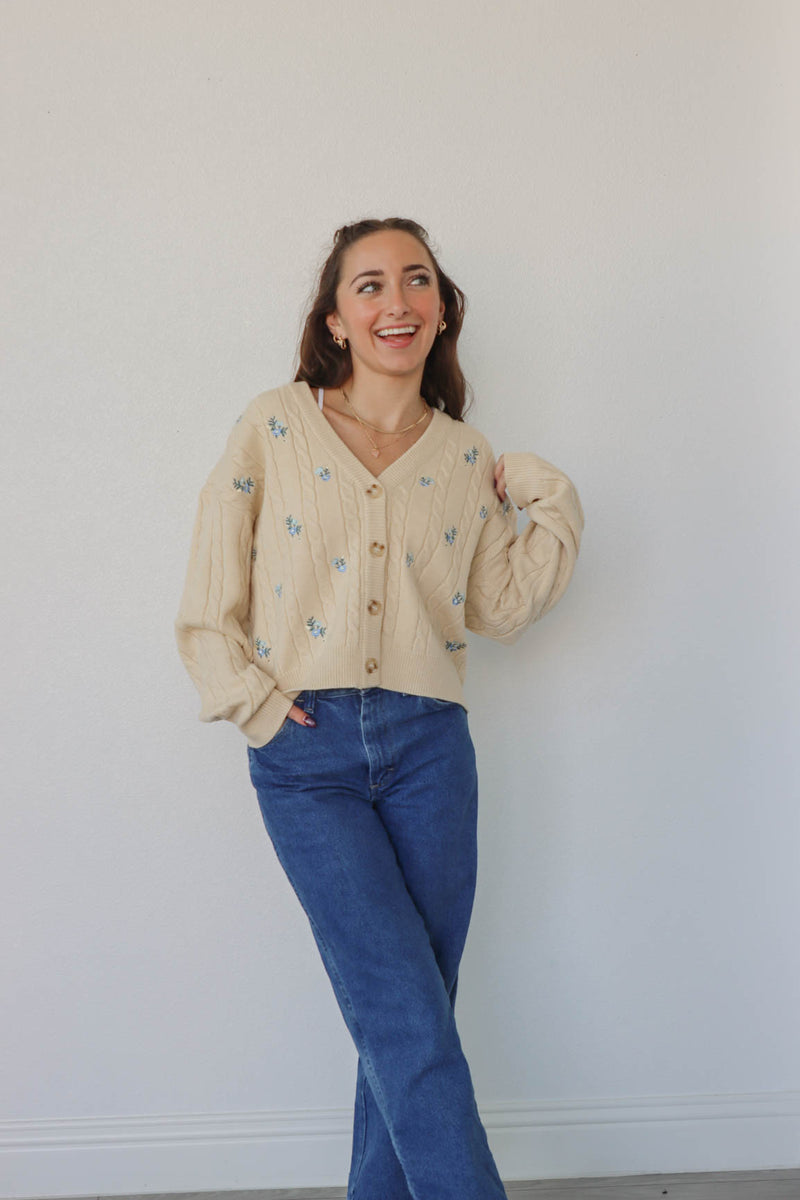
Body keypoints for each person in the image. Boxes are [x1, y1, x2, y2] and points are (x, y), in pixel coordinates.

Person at [174, 217, 584, 1200]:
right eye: (368, 286)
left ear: (439, 310)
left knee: (407, 1019)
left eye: (415, 281)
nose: (393, 301)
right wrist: (253, 705)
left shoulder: (461, 454)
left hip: (431, 752)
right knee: (403, 1016)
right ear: (336, 319)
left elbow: (498, 609)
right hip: (304, 757)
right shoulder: (273, 424)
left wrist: (548, 494)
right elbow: (207, 591)